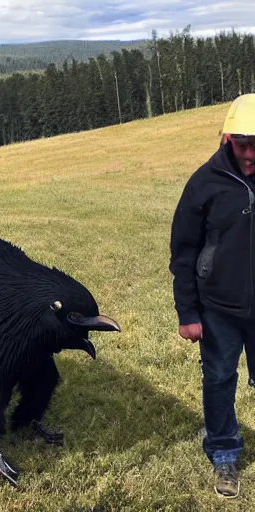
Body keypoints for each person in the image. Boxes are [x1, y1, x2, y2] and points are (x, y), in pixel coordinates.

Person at [170, 93, 255, 498]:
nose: (252, 154)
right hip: (218, 309)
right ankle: (224, 452)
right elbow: (183, 253)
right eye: (244, 144)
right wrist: (188, 312)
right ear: (226, 139)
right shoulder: (204, 184)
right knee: (220, 379)